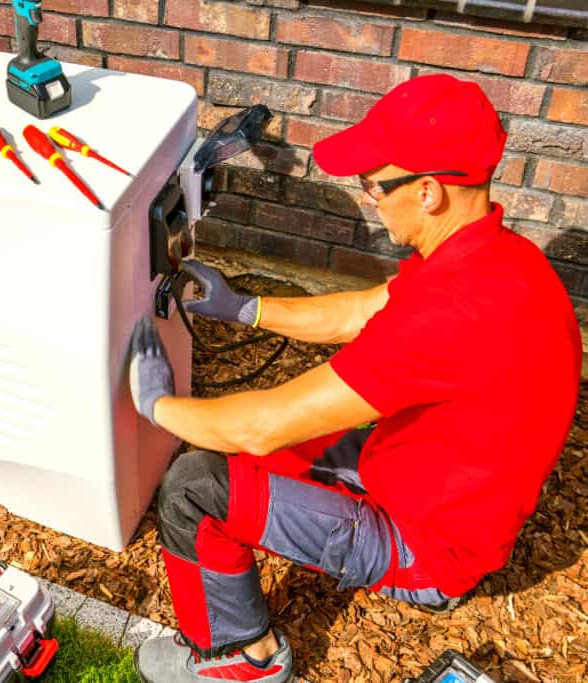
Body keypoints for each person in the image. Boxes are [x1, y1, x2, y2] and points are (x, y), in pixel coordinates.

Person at [128, 73, 583, 683]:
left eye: (374, 185)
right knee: (231, 449)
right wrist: (246, 308)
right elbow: (362, 309)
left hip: (426, 547)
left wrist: (156, 405)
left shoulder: (451, 313)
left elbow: (261, 427)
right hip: (422, 476)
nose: (369, 197)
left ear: (427, 192)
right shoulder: (496, 258)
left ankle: (241, 660)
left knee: (192, 486)